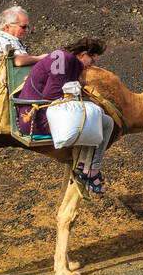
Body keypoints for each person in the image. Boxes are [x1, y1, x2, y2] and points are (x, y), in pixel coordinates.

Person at [17, 38, 114, 194]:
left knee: (100, 118)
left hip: (38, 112)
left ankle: (85, 165)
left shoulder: (66, 59)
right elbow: (52, 94)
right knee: (102, 123)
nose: (92, 64)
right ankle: (90, 170)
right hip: (37, 118)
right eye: (92, 59)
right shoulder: (65, 60)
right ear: (83, 54)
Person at [0, 5, 42, 84]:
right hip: (6, 87)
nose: (27, 30)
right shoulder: (9, 40)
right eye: (23, 27)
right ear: (7, 27)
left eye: (27, 27)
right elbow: (20, 61)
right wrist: (41, 58)